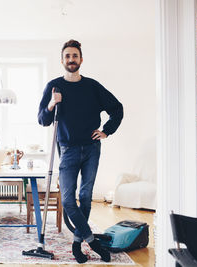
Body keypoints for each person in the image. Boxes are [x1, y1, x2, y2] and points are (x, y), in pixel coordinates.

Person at [38, 39, 123, 263]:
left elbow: (117, 109)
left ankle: (77, 245)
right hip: (67, 150)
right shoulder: (54, 86)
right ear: (62, 60)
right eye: (67, 56)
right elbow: (42, 120)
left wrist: (107, 131)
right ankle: (91, 241)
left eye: (75, 56)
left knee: (85, 198)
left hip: (92, 149)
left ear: (81, 59)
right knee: (68, 200)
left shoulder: (93, 86)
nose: (71, 59)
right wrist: (51, 104)